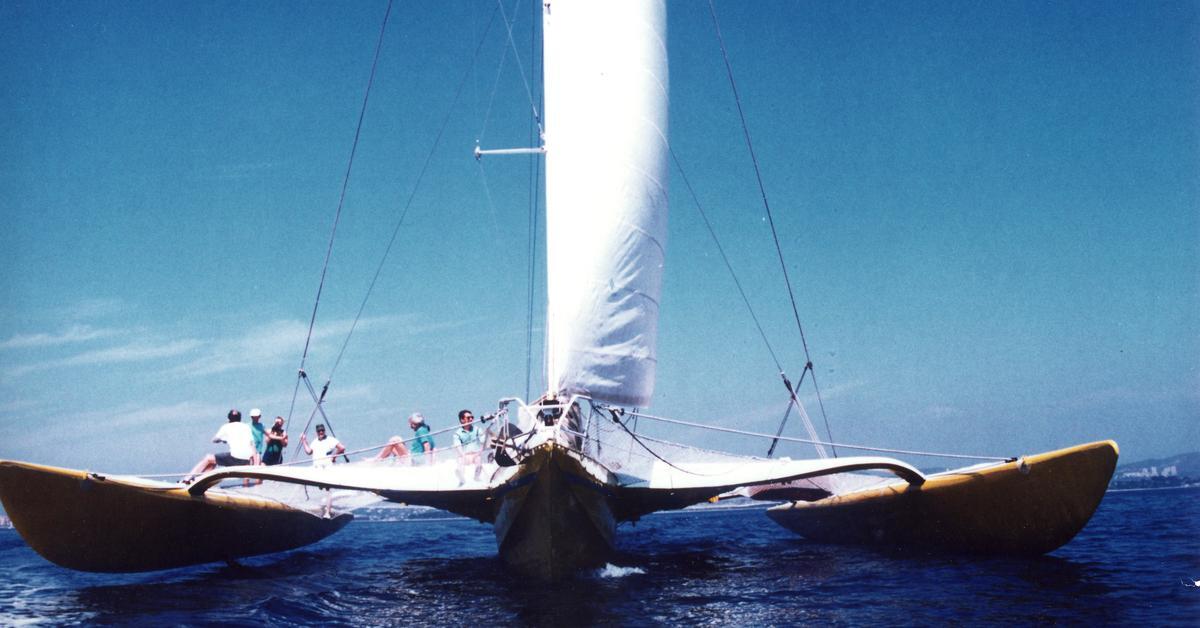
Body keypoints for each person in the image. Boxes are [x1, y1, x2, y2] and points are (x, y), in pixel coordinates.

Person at [182, 409, 259, 483]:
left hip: (235, 458)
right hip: (246, 460)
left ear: (229, 419)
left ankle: (186, 479)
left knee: (208, 458)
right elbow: (252, 445)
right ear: (240, 419)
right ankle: (200, 480)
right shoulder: (246, 427)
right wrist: (255, 465)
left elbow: (214, 440)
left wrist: (222, 440)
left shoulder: (226, 426)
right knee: (213, 461)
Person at [453, 409, 485, 484]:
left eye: (472, 417)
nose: (471, 419)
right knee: (460, 461)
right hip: (464, 455)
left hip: (476, 454)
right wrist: (463, 456)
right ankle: (461, 479)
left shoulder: (477, 429)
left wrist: (478, 453)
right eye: (468, 418)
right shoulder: (457, 433)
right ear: (462, 420)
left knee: (478, 461)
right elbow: (458, 446)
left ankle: (476, 477)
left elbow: (483, 442)